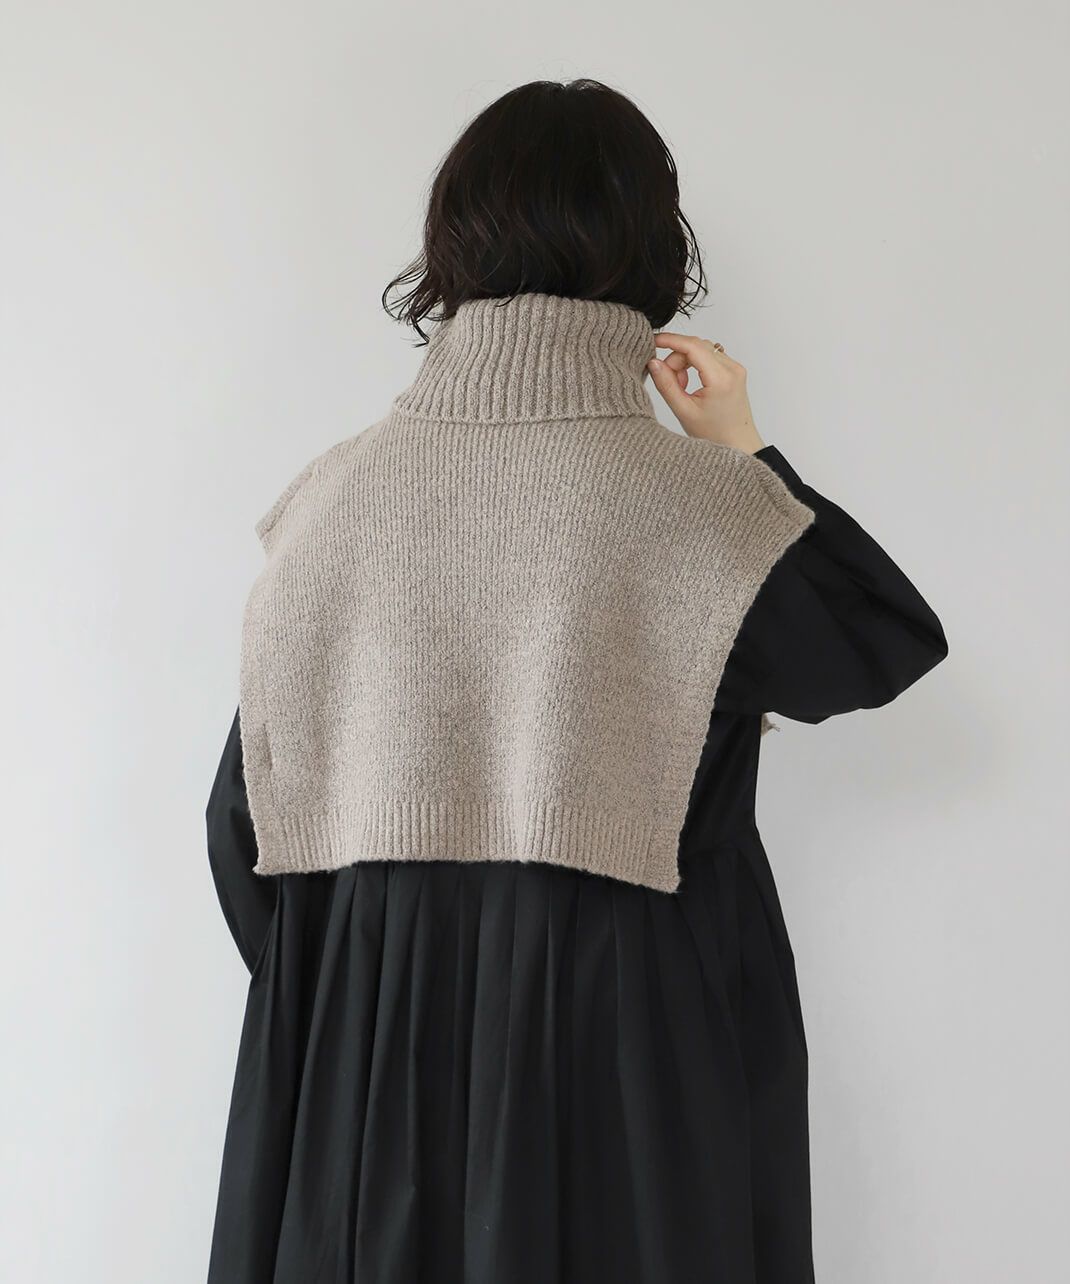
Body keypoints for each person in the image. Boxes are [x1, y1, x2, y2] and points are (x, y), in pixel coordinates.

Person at [205, 79, 947, 1284]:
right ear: (650, 248)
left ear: (452, 243)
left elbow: (245, 822)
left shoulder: (329, 498)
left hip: (360, 1062)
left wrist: (374, 993)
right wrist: (741, 446)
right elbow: (874, 645)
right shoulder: (696, 510)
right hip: (630, 1060)